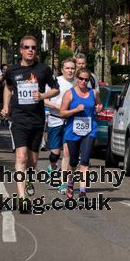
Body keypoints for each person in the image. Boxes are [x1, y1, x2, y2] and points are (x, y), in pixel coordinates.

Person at [1, 36, 59, 212]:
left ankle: (30, 179)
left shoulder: (43, 70)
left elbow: (56, 88)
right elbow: (8, 87)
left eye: (33, 47)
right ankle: (22, 198)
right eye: (26, 47)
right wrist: (5, 107)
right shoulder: (12, 70)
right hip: (18, 119)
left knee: (33, 160)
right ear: (21, 49)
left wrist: (42, 96)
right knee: (21, 157)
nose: (30, 50)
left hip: (37, 120)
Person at [60, 68, 102, 199]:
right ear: (77, 79)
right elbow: (62, 112)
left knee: (84, 161)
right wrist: (75, 110)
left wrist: (99, 108)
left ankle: (83, 190)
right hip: (72, 131)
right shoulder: (69, 94)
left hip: (89, 130)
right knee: (73, 162)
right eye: (81, 79)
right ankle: (70, 184)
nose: (84, 82)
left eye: (86, 79)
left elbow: (99, 105)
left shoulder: (93, 93)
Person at [44, 58, 77, 194]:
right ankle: (52, 167)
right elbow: (44, 100)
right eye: (67, 68)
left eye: (72, 68)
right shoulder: (55, 82)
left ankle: (63, 183)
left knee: (67, 152)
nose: (70, 71)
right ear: (62, 69)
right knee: (54, 154)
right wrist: (58, 106)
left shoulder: (78, 83)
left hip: (70, 122)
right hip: (55, 119)